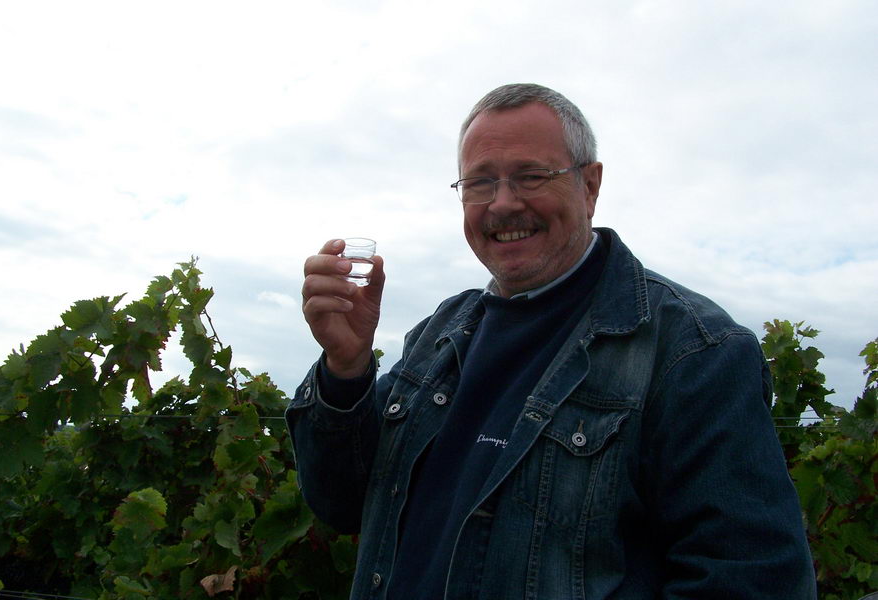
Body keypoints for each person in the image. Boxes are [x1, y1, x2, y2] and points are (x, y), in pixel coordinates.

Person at [288, 83, 817, 599]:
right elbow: (342, 503)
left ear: (590, 185)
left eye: (531, 176)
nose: (502, 204)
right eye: (478, 183)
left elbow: (754, 579)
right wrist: (346, 368)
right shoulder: (438, 333)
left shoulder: (694, 351)